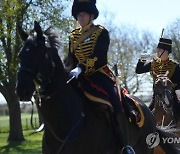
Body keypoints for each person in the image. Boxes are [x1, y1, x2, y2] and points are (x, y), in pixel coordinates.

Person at [64, 0, 135, 153]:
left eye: (83, 14)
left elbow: (100, 56)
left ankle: (125, 143)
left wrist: (81, 68)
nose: (80, 17)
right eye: (78, 14)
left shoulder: (101, 32)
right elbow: (70, 58)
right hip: (78, 76)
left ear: (91, 15)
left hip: (99, 74)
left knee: (115, 101)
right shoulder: (72, 36)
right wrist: (69, 70)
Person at [136, 37, 180, 115]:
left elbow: (178, 84)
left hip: (171, 96)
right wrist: (141, 60)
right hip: (156, 97)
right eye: (157, 49)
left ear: (166, 51)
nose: (157, 52)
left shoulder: (175, 66)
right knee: (146, 115)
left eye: (160, 50)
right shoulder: (154, 63)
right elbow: (139, 71)